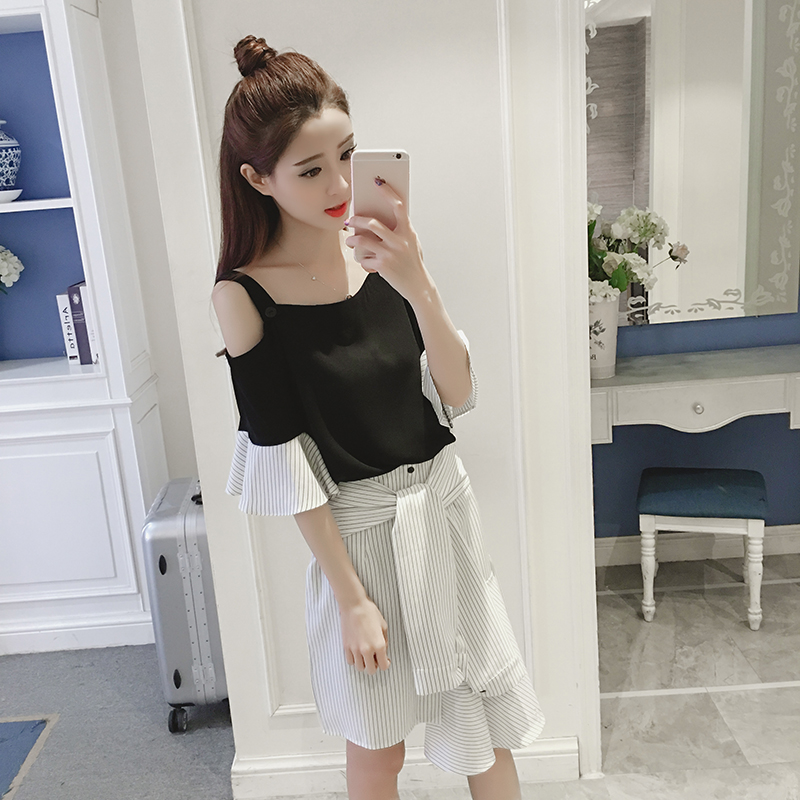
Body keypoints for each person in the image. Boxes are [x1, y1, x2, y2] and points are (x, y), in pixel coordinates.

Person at [211, 35, 545, 800]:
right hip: (358, 543)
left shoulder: (380, 253)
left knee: (483, 727)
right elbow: (284, 456)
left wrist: (417, 279)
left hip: (444, 515)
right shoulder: (243, 296)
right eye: (310, 170)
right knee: (377, 747)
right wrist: (350, 599)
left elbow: (456, 393)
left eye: (347, 156)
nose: (338, 185)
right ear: (257, 179)